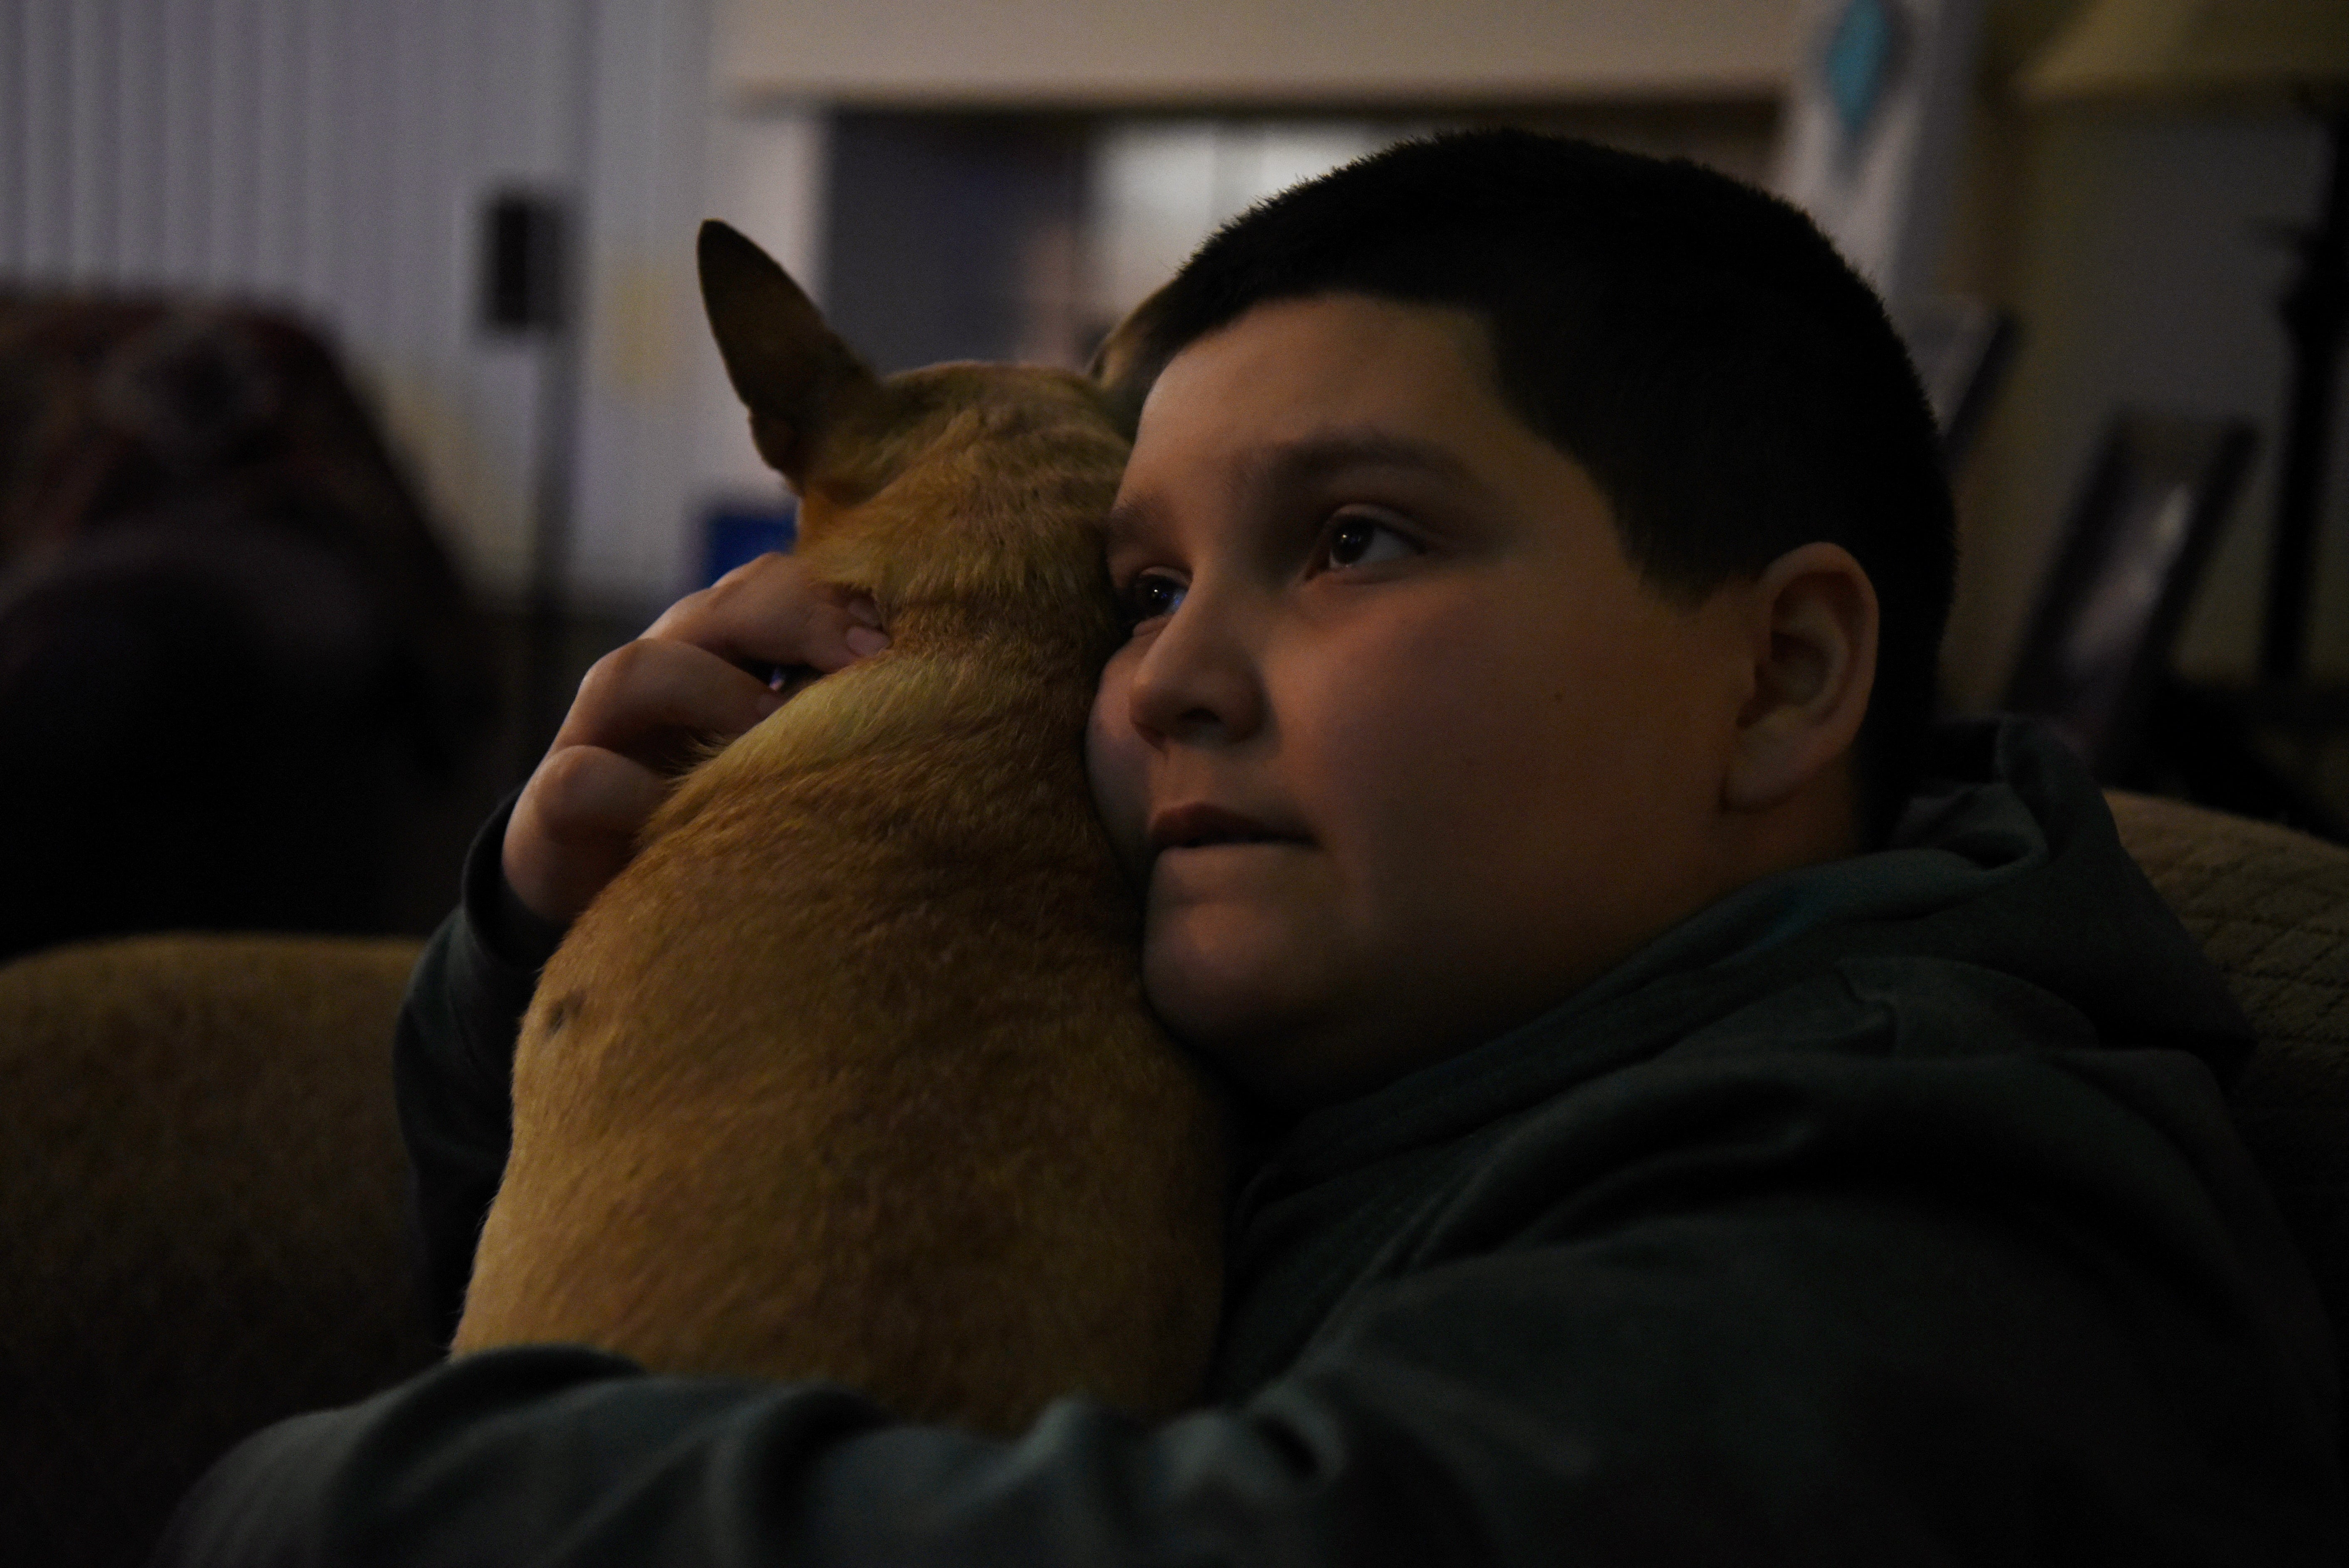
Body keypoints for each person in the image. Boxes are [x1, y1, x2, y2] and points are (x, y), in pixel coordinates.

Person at [159, 130, 2346, 1563]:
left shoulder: (1930, 1214)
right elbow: (585, 1292)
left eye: (1355, 540)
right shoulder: (1388, 1027)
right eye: (1141, 589)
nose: (1166, 684)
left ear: (1781, 678)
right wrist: (552, 944)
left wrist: (318, 1508)